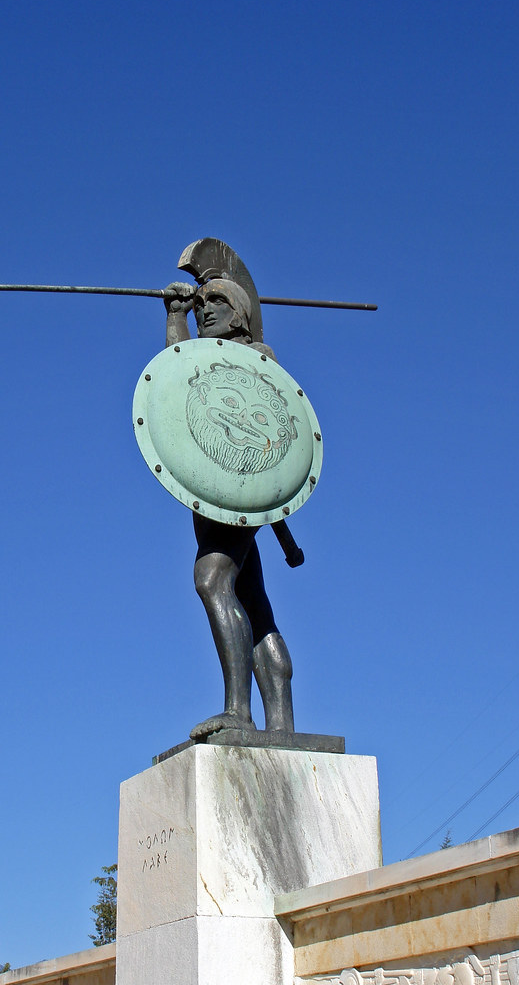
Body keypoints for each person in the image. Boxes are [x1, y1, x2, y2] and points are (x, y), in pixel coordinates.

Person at [164, 278, 295, 741]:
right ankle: (282, 724)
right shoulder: (204, 357)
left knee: (212, 579)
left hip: (239, 494)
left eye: (216, 301)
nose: (206, 310)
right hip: (218, 499)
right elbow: (174, 378)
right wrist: (176, 316)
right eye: (201, 304)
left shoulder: (257, 356)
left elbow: (278, 433)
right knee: (255, 603)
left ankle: (238, 710)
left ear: (239, 311)